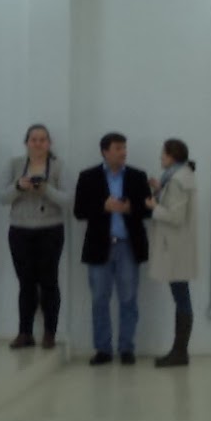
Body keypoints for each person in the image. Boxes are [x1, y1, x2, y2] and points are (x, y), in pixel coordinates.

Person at [72, 133, 151, 366]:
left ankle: (127, 348)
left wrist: (130, 209)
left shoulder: (138, 176)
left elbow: (147, 210)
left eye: (124, 148)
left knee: (128, 299)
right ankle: (103, 349)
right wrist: (102, 207)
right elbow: (79, 211)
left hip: (128, 246)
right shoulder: (88, 176)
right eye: (118, 148)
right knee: (99, 299)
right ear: (105, 151)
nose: (123, 152)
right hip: (100, 246)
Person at [0, 124, 68, 349]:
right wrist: (19, 186)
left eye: (42, 140)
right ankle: (25, 332)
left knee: (49, 282)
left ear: (49, 143)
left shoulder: (58, 166)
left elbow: (68, 199)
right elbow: (1, 197)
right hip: (20, 230)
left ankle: (50, 333)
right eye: (34, 139)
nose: (38, 144)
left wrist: (46, 189)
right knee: (26, 283)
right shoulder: (14, 165)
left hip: (50, 229)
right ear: (26, 142)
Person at [144, 138, 198, 368]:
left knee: (181, 297)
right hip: (178, 247)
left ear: (172, 156)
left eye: (163, 154)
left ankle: (179, 351)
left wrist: (154, 207)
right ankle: (179, 350)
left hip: (175, 248)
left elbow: (175, 217)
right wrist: (160, 190)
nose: (160, 158)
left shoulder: (177, 181)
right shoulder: (178, 178)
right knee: (181, 296)